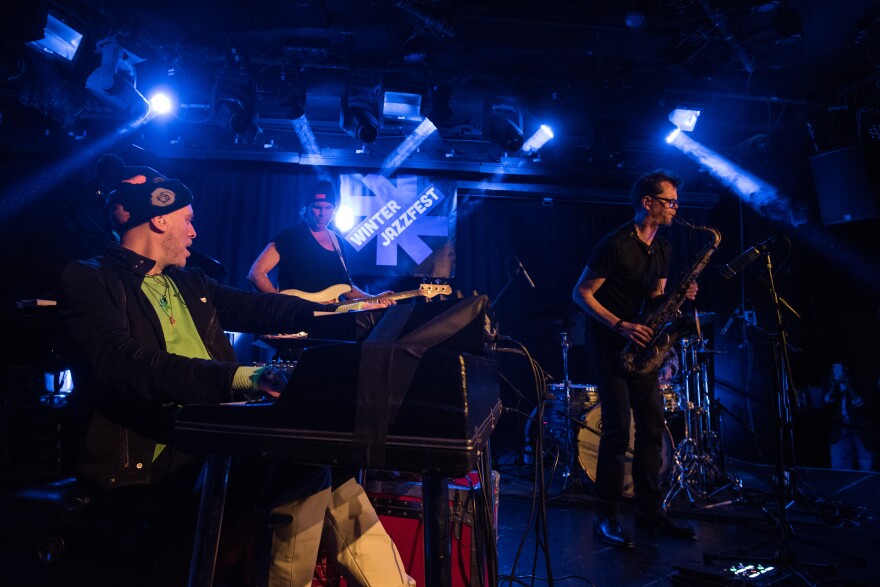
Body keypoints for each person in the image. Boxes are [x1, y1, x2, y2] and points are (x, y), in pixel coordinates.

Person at [57, 177, 413, 586]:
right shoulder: (89, 278)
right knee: (304, 469)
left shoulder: (188, 281)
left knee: (327, 463)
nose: (194, 232)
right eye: (187, 220)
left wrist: (352, 314)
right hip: (155, 456)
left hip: (212, 437)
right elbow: (126, 363)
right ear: (158, 221)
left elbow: (263, 307)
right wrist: (249, 377)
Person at [572, 169, 697, 549]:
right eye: (670, 201)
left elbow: (655, 300)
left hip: (643, 347)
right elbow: (581, 293)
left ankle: (648, 510)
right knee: (616, 430)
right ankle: (605, 517)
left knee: (652, 427)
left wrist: (679, 295)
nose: (677, 208)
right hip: (610, 344)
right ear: (648, 203)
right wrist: (620, 324)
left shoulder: (663, 248)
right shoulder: (615, 244)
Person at [248, 180, 386, 304]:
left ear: (334, 210)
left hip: (326, 321)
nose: (322, 213)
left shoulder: (337, 241)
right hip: (294, 319)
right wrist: (280, 303)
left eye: (328, 208)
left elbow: (346, 288)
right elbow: (256, 273)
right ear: (306, 208)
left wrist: (375, 298)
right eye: (317, 207)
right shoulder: (289, 236)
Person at [823, 360, 879, 471]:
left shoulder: (862, 381)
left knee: (867, 466)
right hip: (841, 427)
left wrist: (849, 387)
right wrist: (834, 387)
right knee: (839, 466)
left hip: (862, 428)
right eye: (835, 369)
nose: (838, 372)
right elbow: (825, 401)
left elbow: (864, 407)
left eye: (840, 369)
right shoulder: (832, 382)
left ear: (847, 369)